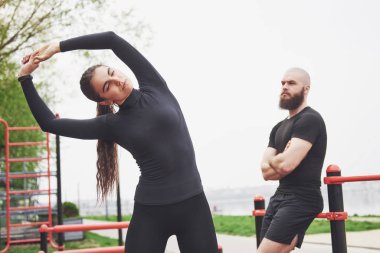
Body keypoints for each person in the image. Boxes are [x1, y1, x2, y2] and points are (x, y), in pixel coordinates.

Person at [17, 31, 218, 253]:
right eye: (107, 86)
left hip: (193, 206)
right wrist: (24, 78)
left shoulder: (155, 85)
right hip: (151, 213)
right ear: (105, 100)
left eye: (112, 72)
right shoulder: (111, 124)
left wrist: (58, 46)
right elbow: (49, 124)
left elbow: (111, 39)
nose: (117, 80)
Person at [258, 68, 327, 253]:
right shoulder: (278, 128)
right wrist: (283, 157)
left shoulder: (310, 120)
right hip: (279, 196)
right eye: (283, 83)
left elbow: (286, 165)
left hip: (302, 197)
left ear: (306, 89)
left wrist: (278, 160)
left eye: (291, 83)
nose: (285, 87)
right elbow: (266, 172)